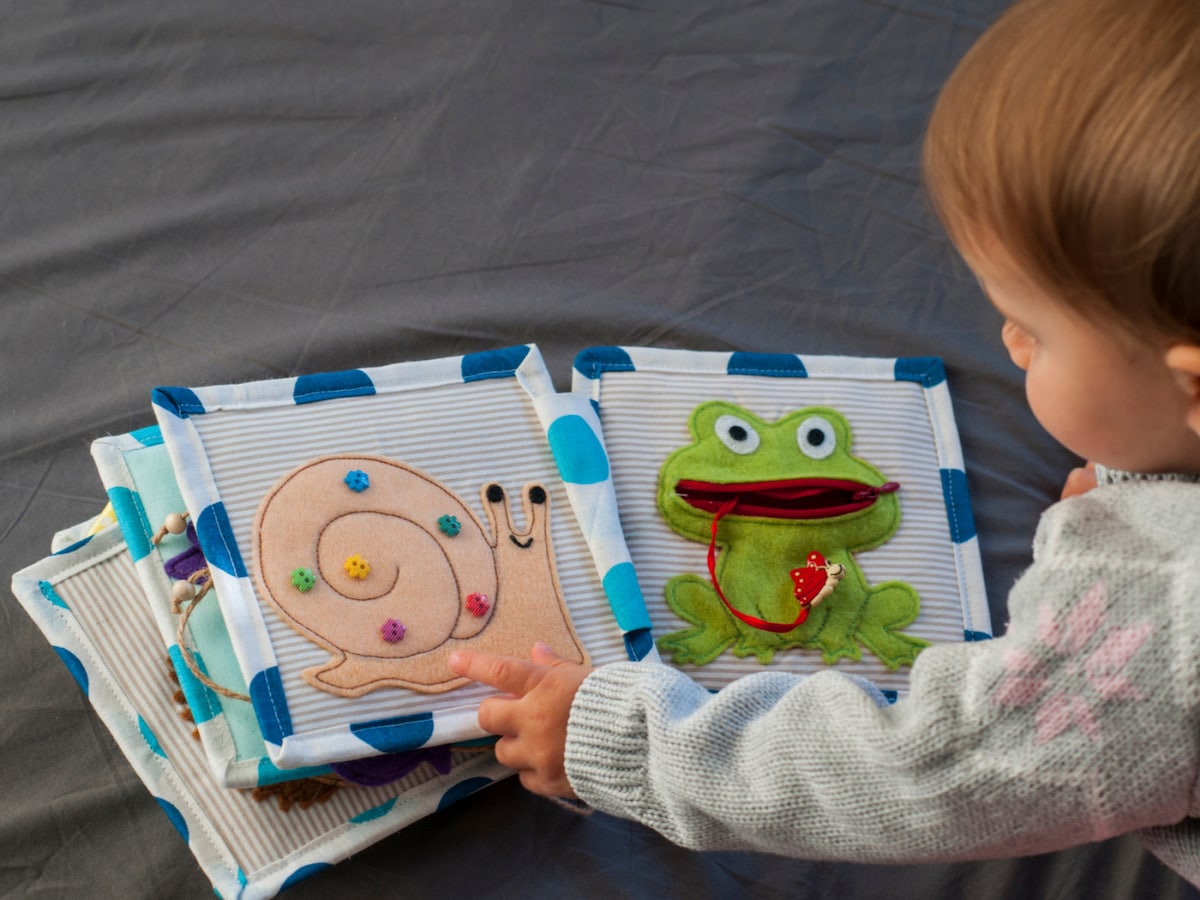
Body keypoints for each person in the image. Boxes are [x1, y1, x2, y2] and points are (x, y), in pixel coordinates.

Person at [449, 0, 1200, 883]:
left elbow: (924, 773)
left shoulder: (1165, 623)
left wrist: (630, 744)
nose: (1008, 343)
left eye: (1033, 327)